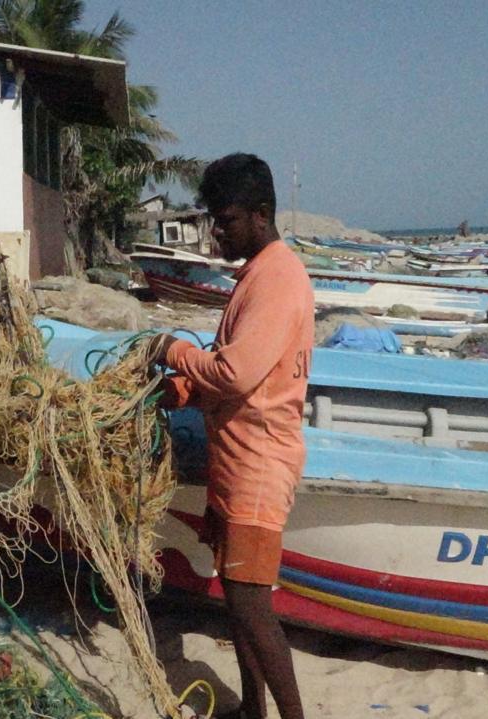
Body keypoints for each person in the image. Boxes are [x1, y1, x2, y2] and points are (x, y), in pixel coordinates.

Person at [147, 153, 312, 719]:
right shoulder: (259, 274)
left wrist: (173, 351)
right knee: (236, 601)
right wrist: (185, 389)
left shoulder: (278, 278)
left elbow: (237, 372)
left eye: (227, 219)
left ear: (261, 216)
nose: (216, 231)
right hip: (234, 463)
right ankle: (252, 711)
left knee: (251, 604)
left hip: (258, 468)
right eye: (214, 219)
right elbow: (238, 368)